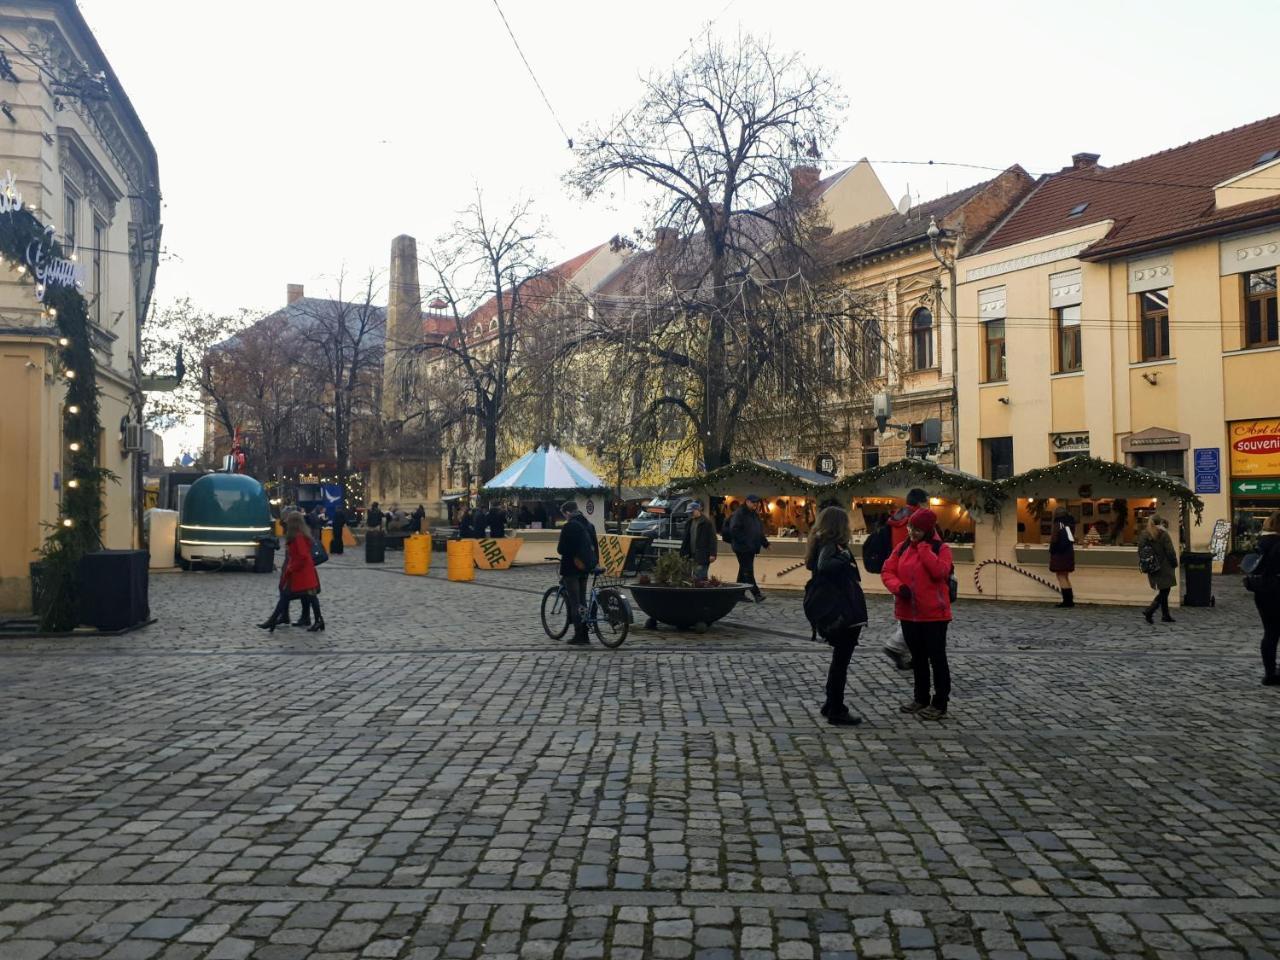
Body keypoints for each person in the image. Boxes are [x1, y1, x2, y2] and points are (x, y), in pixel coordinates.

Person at [881, 509, 954, 721]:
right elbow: (888, 571)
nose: (912, 532)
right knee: (918, 659)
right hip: (908, 614)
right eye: (911, 527)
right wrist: (898, 587)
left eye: (918, 530)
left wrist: (924, 550)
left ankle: (940, 702)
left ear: (928, 530)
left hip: (934, 615)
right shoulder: (901, 548)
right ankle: (920, 698)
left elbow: (940, 572)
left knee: (937, 659)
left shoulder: (941, 548)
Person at [806, 506, 868, 727]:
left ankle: (831, 703)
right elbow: (824, 566)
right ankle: (836, 708)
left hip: (835, 606)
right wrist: (843, 558)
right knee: (841, 662)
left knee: (839, 661)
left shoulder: (821, 542)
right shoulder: (832, 545)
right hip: (841, 609)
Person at [258, 512, 323, 633]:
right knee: (309, 597)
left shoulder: (298, 537)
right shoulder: (301, 535)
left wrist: (291, 568)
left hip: (301, 573)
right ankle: (318, 621)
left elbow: (302, 556)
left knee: (288, 595)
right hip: (304, 572)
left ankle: (274, 620)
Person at [557, 501, 599, 646]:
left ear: (567, 513)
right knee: (582, 600)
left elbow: (561, 549)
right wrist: (593, 564)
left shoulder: (569, 526)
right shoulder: (589, 525)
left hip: (571, 569)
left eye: (564, 514)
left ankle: (579, 635)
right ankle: (585, 634)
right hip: (585, 567)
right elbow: (595, 546)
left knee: (575, 603)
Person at [1249, 509, 1280, 686]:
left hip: (1263, 592)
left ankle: (1269, 672)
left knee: (1270, 633)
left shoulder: (1262, 543)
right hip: (1277, 589)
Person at [725, 494, 769, 602]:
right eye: (754, 502)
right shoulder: (739, 514)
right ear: (747, 502)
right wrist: (746, 542)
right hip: (742, 548)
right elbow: (734, 530)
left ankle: (739, 594)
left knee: (744, 571)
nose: (756, 504)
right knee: (748, 571)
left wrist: (765, 543)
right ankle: (757, 594)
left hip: (751, 547)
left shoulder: (754, 514)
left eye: (757, 502)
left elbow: (758, 530)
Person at [1138, 515, 1178, 624]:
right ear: (1161, 522)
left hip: (1152, 565)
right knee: (1165, 590)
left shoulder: (1144, 534)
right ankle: (1150, 610)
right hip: (1164, 565)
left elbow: (1140, 550)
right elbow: (1170, 551)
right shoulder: (1163, 534)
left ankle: (1165, 615)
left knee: (1163, 589)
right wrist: (1174, 563)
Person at [679, 501, 717, 580]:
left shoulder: (707, 523)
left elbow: (712, 539)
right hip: (690, 554)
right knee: (688, 577)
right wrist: (682, 553)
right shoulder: (689, 522)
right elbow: (686, 539)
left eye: (691, 512)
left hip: (703, 555)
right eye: (689, 513)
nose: (690, 514)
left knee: (700, 577)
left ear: (697, 510)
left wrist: (712, 554)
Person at [1049, 505, 1076, 607]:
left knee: (1061, 576)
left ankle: (1067, 601)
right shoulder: (1070, 524)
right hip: (1068, 551)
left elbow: (1055, 539)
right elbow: (1069, 539)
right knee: (1065, 576)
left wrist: (1052, 550)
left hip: (1060, 553)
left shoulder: (1058, 524)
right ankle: (1070, 600)